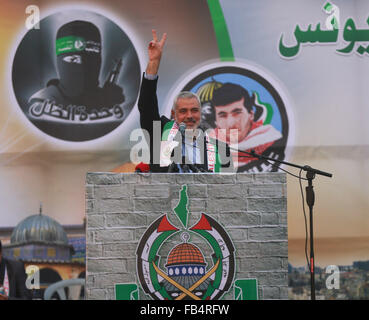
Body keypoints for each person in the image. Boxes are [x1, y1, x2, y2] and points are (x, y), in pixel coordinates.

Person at [138, 30, 233, 173]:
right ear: (173, 114)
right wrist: (154, 63)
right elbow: (146, 106)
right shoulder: (159, 135)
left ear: (200, 113)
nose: (189, 115)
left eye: (194, 110)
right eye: (183, 111)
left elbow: (229, 191)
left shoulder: (221, 149)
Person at [28, 20, 125, 119]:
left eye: (90, 60)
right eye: (73, 59)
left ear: (99, 59)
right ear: (60, 62)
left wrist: (110, 105)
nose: (83, 67)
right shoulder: (41, 101)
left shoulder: (105, 98)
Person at [211, 82, 283, 171]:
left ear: (251, 114)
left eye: (237, 113)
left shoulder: (272, 139)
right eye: (222, 115)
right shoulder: (206, 148)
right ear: (216, 121)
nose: (230, 123)